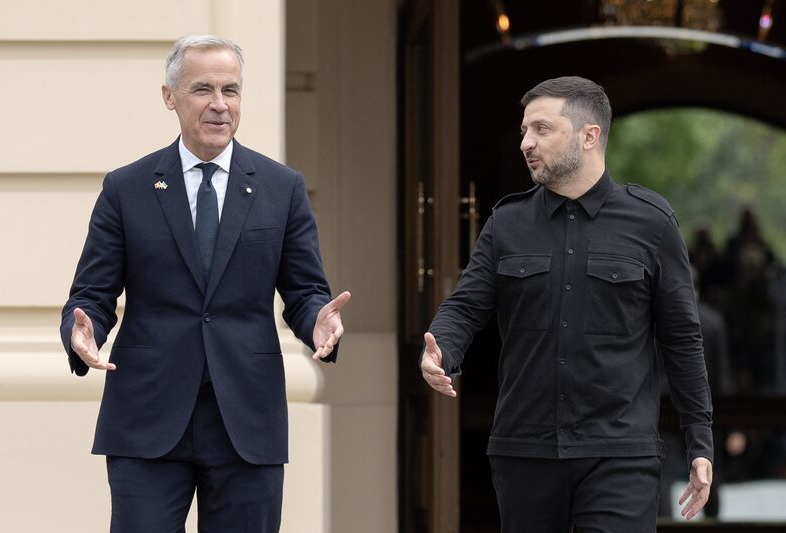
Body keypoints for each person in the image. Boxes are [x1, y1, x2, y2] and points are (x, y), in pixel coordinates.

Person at [60, 35, 350, 533]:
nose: (220, 105)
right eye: (203, 90)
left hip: (246, 416)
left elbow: (304, 292)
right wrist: (80, 331)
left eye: (231, 90)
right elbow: (92, 294)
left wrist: (317, 323)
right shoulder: (126, 188)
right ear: (170, 96)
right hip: (148, 417)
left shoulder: (282, 188)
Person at [420, 76, 713, 531]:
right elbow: (465, 306)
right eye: (523, 131)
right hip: (525, 453)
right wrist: (441, 348)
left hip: (620, 455)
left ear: (588, 135)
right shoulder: (506, 223)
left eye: (540, 129)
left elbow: (682, 339)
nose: (525, 143)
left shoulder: (652, 224)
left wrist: (700, 442)